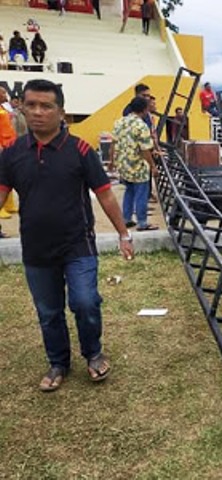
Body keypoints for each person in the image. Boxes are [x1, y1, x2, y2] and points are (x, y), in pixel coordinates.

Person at [0, 79, 133, 391]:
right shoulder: (12, 153)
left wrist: (124, 234)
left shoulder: (81, 150)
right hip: (36, 249)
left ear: (61, 112)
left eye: (46, 106)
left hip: (78, 244)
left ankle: (93, 354)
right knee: (48, 312)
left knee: (85, 302)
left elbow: (106, 196)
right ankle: (58, 362)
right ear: (20, 106)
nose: (38, 112)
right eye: (31, 105)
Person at [110, 96, 159, 231]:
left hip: (123, 164)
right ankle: (142, 222)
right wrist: (153, 166)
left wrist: (112, 161)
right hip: (138, 165)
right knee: (142, 192)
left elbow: (113, 143)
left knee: (129, 191)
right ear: (144, 110)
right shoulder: (141, 125)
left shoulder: (119, 122)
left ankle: (126, 219)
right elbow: (145, 150)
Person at [0, 87, 17, 221]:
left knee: (9, 175)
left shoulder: (4, 109)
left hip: (9, 145)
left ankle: (9, 204)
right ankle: (2, 208)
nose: (6, 95)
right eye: (3, 93)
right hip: (2, 146)